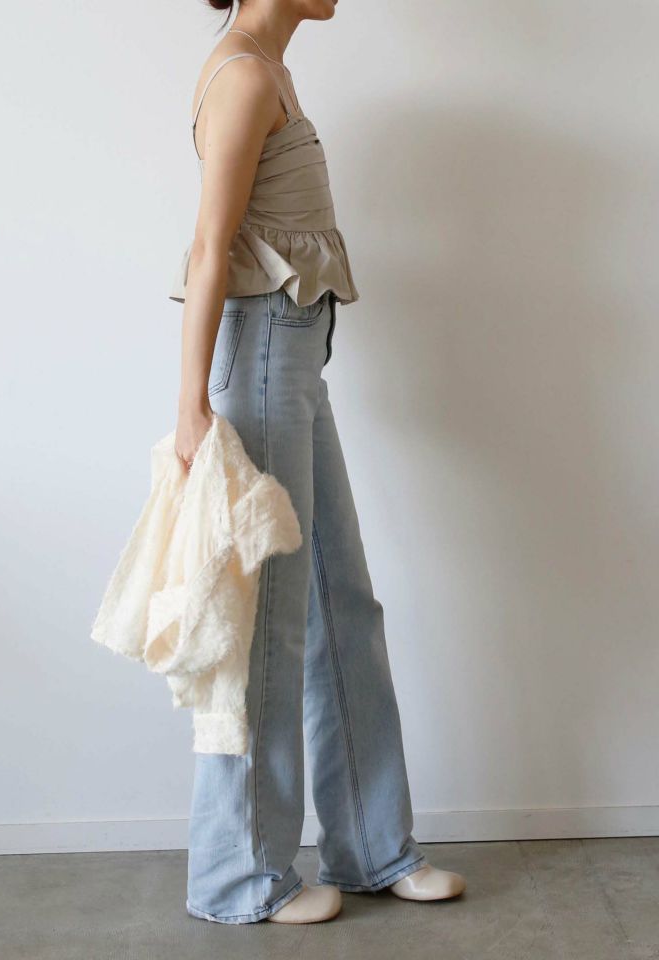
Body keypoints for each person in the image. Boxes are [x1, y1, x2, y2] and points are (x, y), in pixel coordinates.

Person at [169, 0, 467, 925]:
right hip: (261, 360)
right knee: (269, 624)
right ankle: (237, 874)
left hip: (295, 361)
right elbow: (211, 247)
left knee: (342, 605)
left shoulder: (270, 69)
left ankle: (373, 848)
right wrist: (189, 408)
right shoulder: (243, 74)